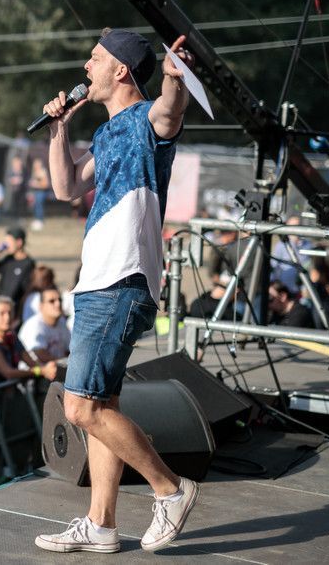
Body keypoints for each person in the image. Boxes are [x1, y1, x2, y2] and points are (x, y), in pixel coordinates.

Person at [36, 29, 198, 553]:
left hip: (121, 280)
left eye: (95, 58)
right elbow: (65, 187)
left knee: (80, 408)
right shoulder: (106, 134)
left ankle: (170, 489)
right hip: (99, 280)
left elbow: (170, 112)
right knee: (101, 404)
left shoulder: (147, 118)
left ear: (121, 70)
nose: (86, 66)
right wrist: (59, 130)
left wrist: (175, 80)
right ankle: (101, 524)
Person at [0, 296, 53, 387]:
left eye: (10, 312)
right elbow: (8, 373)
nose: (7, 317)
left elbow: (31, 362)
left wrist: (47, 368)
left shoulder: (12, 338)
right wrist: (41, 371)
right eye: (2, 313)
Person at [0, 227, 35, 315]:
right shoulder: (8, 259)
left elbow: (27, 290)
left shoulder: (28, 264)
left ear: (19, 242)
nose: (6, 245)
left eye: (9, 242)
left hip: (14, 309)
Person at [18, 286, 72, 363]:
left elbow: (69, 349)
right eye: (52, 301)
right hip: (35, 369)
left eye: (60, 300)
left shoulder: (61, 321)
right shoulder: (34, 325)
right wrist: (66, 362)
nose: (58, 304)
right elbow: (40, 355)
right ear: (41, 306)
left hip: (57, 367)